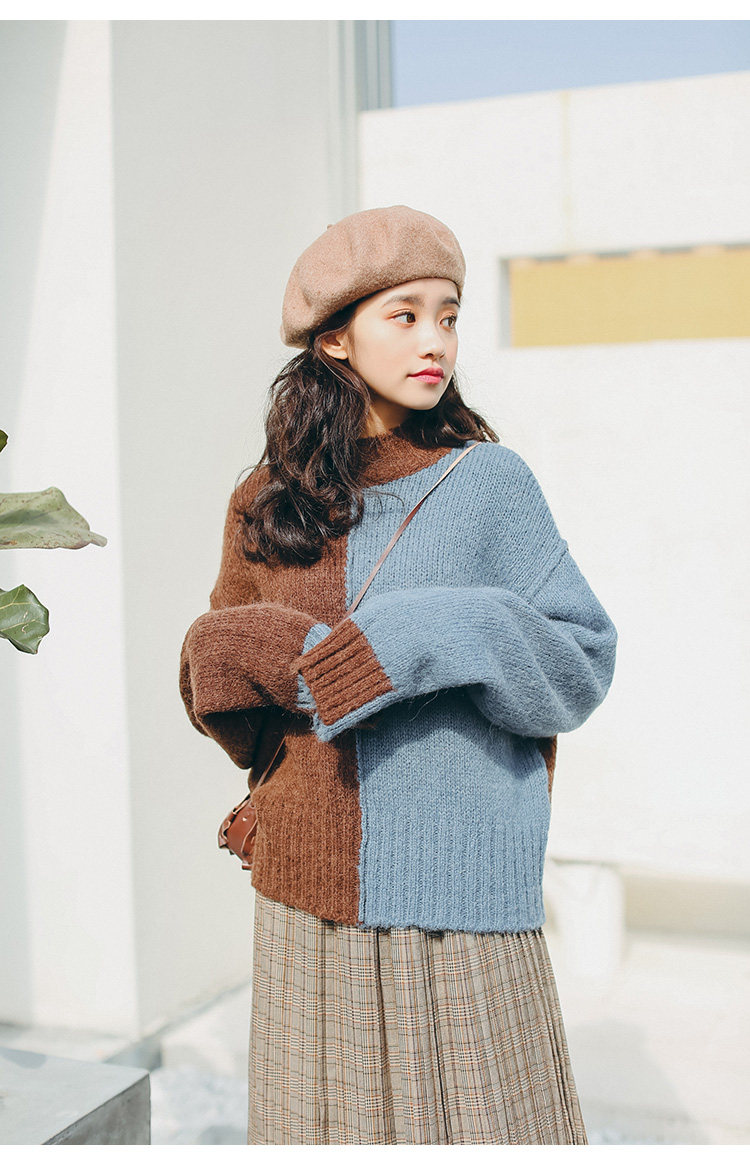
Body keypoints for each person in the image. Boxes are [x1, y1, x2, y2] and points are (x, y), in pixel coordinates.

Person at [179, 204, 618, 1145]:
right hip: (304, 890)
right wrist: (262, 656)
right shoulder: (264, 501)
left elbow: (581, 661)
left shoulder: (488, 483)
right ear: (335, 337)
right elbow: (225, 696)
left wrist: (431, 633)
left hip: (457, 895)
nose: (435, 342)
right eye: (406, 315)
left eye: (449, 316)